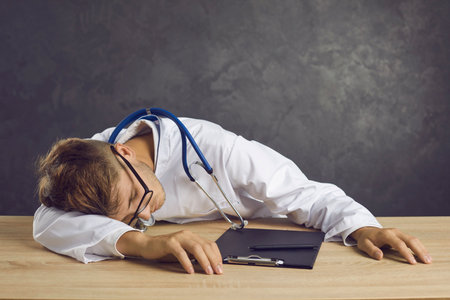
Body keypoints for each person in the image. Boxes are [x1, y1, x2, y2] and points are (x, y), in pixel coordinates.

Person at [34, 113, 432, 275]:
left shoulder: (218, 149)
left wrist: (363, 228)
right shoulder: (90, 160)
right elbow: (46, 220)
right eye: (127, 215)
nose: (145, 214)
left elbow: (305, 195)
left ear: (125, 153)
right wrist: (139, 243)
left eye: (139, 200)